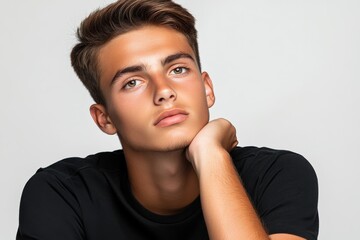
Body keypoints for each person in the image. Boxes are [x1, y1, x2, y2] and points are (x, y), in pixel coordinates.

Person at [17, 0, 319, 239]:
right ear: (105, 118)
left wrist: (210, 154)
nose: (163, 92)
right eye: (132, 82)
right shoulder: (63, 194)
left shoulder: (276, 175)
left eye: (177, 70)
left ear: (207, 89)